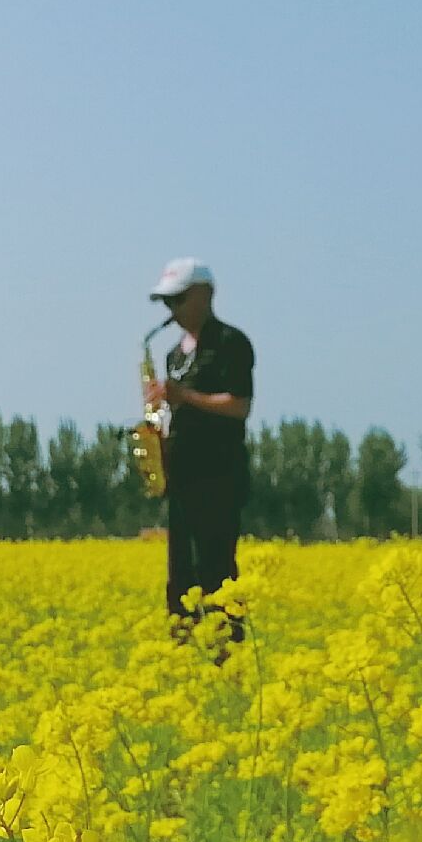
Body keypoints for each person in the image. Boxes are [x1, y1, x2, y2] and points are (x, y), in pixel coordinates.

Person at [144, 257, 253, 640]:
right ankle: (183, 655)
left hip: (218, 478)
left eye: (177, 300)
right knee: (181, 577)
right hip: (183, 477)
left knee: (216, 574)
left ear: (203, 296)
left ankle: (229, 657)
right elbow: (180, 408)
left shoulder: (230, 343)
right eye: (166, 303)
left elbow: (239, 405)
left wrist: (184, 395)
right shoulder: (173, 354)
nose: (170, 311)